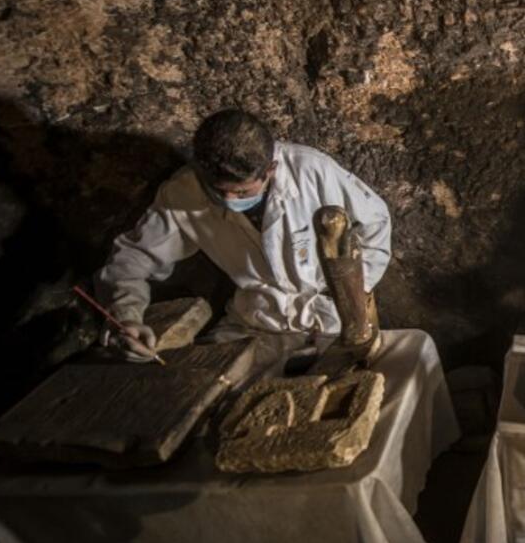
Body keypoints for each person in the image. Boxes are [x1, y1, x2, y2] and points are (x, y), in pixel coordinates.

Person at [95, 108, 391, 360]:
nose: (230, 200)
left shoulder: (310, 170)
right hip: (256, 320)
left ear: (270, 169)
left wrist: (349, 291)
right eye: (218, 191)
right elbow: (133, 258)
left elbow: (376, 223)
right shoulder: (183, 191)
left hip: (330, 315)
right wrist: (126, 316)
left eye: (242, 192)